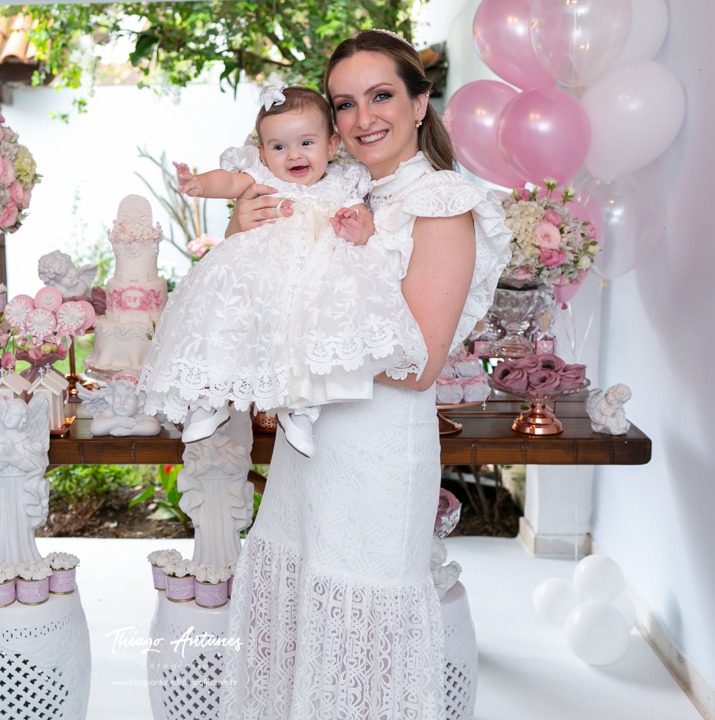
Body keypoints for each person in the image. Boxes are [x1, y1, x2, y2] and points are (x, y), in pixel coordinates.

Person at [219, 29, 512, 720]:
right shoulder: (335, 192)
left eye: (381, 96)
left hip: (377, 460)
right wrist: (245, 235)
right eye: (344, 104)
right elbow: (253, 308)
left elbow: (416, 365)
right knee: (297, 626)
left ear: (420, 103)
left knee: (360, 642)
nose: (362, 118)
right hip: (308, 454)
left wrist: (297, 350)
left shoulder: (439, 203)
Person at [141, 85, 427, 457]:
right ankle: (208, 401)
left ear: (332, 146)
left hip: (316, 278)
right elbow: (229, 182)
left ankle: (301, 411)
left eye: (306, 143)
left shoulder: (343, 183)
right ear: (262, 154)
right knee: (227, 320)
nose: (293, 154)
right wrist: (198, 184)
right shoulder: (263, 178)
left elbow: (365, 221)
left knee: (310, 334)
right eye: (279, 147)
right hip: (264, 274)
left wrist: (358, 227)